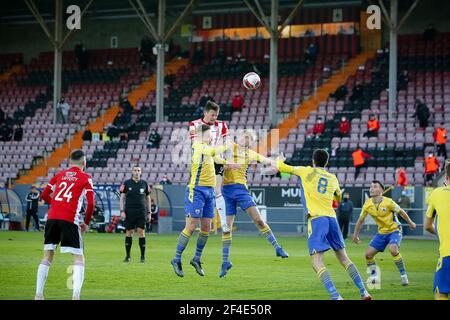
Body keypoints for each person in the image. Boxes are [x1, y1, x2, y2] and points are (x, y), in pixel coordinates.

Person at [274, 149, 371, 300]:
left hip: (317, 219)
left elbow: (282, 167)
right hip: (332, 219)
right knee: (344, 259)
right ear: (326, 162)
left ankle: (335, 296)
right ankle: (364, 291)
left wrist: (280, 159)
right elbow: (338, 197)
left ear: (313, 161)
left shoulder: (306, 171)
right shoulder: (333, 178)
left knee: (316, 262)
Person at [216, 130, 288, 278]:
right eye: (244, 136)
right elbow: (215, 157)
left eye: (249, 138)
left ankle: (278, 247)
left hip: (241, 190)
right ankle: (225, 262)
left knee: (259, 220)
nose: (246, 139)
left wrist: (278, 161)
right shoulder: (229, 146)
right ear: (239, 137)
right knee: (226, 229)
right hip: (226, 191)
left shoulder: (251, 154)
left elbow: (269, 162)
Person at [170, 124, 232, 277]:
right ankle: (176, 259)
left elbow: (215, 157)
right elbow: (212, 151)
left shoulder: (206, 147)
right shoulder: (198, 146)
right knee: (191, 227)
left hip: (209, 191)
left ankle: (196, 258)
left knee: (206, 228)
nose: (211, 136)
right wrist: (226, 145)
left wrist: (229, 164)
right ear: (202, 135)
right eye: (210, 134)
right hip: (196, 190)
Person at [35, 149, 95, 300]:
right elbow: (91, 203)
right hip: (69, 219)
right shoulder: (85, 178)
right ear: (84, 163)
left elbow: (43, 195)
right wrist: (86, 223)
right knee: (78, 258)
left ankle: (38, 295)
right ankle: (75, 296)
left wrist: (56, 204)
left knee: (47, 257)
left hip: (52, 218)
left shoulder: (58, 175)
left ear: (70, 162)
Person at [352, 180, 417, 286]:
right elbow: (360, 220)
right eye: (371, 186)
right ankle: (374, 277)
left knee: (393, 249)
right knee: (368, 255)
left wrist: (410, 222)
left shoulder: (389, 202)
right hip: (381, 233)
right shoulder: (367, 204)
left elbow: (401, 212)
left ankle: (404, 276)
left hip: (394, 230)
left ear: (381, 190)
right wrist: (355, 234)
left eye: (375, 186)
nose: (372, 188)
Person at [189, 101, 230, 233]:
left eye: (216, 115)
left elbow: (226, 141)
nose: (214, 118)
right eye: (212, 115)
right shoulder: (194, 124)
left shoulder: (222, 125)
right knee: (197, 187)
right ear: (205, 113)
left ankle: (223, 224)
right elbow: (194, 142)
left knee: (217, 190)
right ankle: (192, 221)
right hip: (202, 158)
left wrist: (226, 160)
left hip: (216, 157)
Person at [425, 160, 450, 300]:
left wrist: (442, 232)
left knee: (441, 294)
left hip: (448, 253)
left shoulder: (437, 193)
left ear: (445, 178)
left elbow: (428, 225)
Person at [120, 165, 152, 263]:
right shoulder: (126, 183)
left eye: (138, 170)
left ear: (141, 172)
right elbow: (122, 198)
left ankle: (142, 257)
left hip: (141, 211)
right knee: (129, 232)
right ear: (132, 171)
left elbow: (148, 198)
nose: (137, 172)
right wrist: (122, 211)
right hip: (129, 211)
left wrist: (149, 212)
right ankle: (128, 256)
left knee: (141, 232)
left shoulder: (144, 183)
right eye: (135, 170)